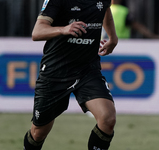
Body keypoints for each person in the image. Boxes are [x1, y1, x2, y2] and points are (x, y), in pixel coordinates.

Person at [23, 0, 118, 150]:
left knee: (108, 118)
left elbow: (105, 10)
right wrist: (63, 29)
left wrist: (112, 37)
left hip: (87, 69)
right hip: (55, 72)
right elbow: (37, 32)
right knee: (38, 133)